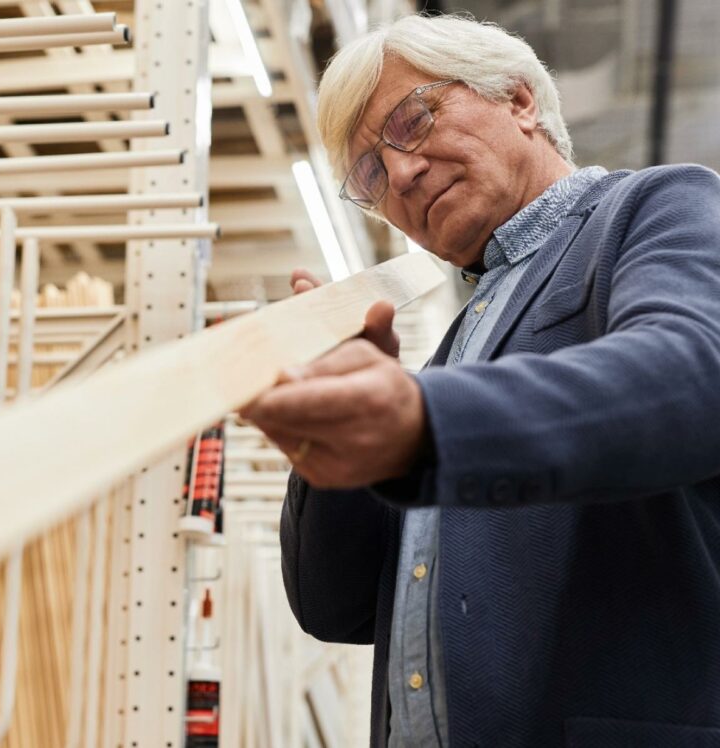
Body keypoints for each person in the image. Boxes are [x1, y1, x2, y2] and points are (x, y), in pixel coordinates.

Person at [239, 13, 720, 747]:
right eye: (370, 174)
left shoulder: (656, 207)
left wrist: (424, 425)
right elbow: (334, 607)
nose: (400, 174)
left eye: (414, 119)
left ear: (520, 101)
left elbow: (693, 377)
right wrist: (333, 437)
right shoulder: (457, 349)